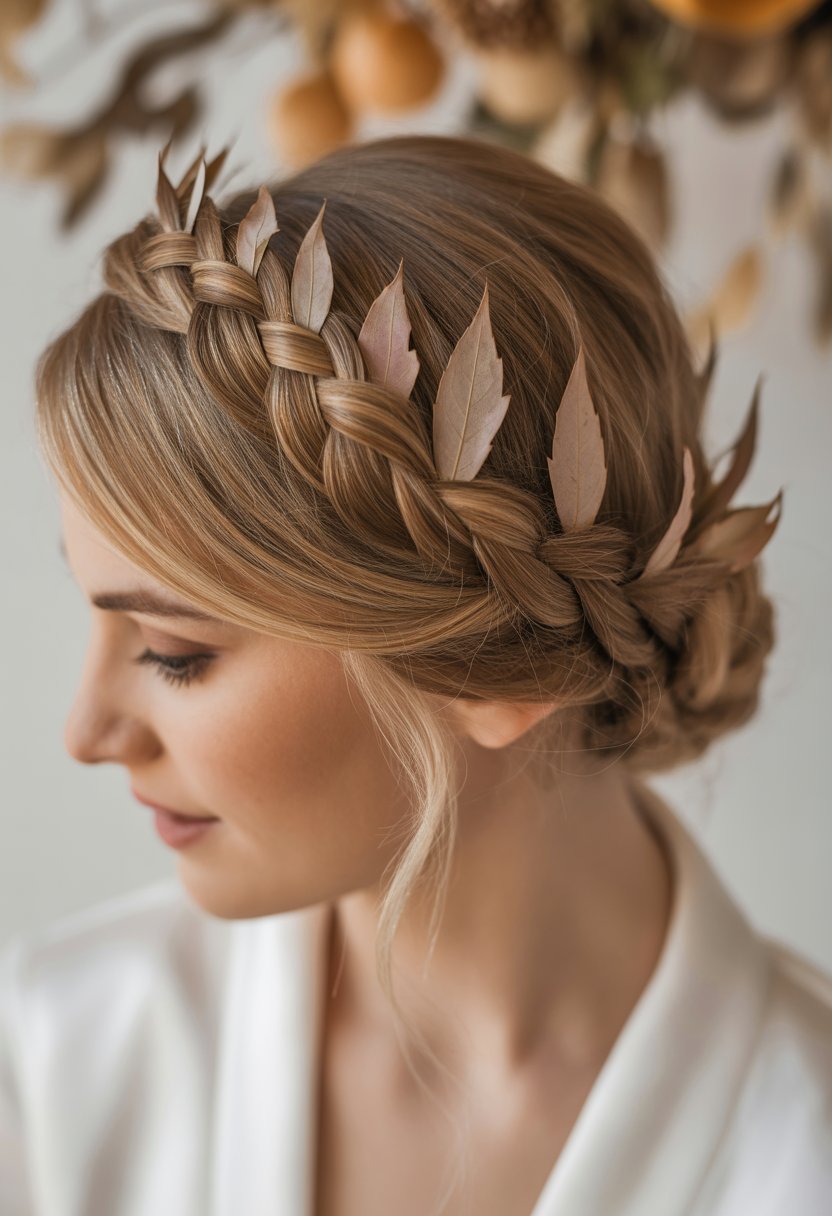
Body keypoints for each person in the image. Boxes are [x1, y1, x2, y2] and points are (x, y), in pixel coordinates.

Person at [1, 133, 830, 1216]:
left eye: (176, 654)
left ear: (489, 668)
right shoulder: (53, 1068)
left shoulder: (798, 1149)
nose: (87, 729)